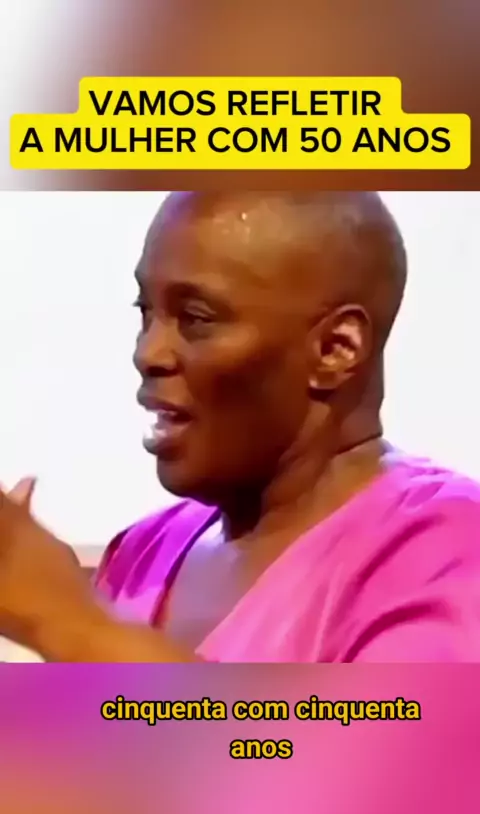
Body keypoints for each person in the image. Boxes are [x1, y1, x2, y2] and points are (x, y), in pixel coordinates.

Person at [2, 190, 480, 663]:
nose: (147, 353)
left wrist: (66, 621)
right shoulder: (144, 554)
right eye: (146, 313)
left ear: (335, 349)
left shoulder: (445, 550)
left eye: (195, 318)